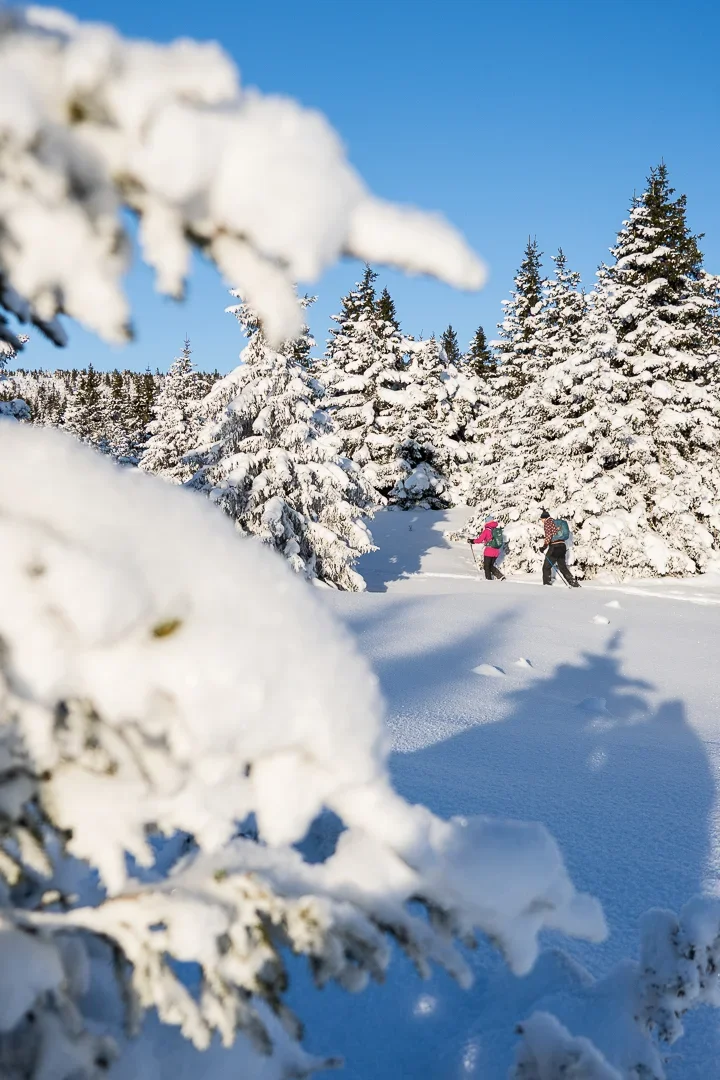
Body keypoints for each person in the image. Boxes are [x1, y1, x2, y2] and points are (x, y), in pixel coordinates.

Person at [540, 509, 580, 587]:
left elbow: (548, 535)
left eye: (541, 519)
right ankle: (574, 584)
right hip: (562, 546)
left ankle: (547, 585)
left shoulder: (547, 523)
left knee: (546, 567)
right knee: (563, 567)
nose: (541, 521)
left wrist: (544, 547)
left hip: (554, 547)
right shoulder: (555, 523)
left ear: (544, 518)